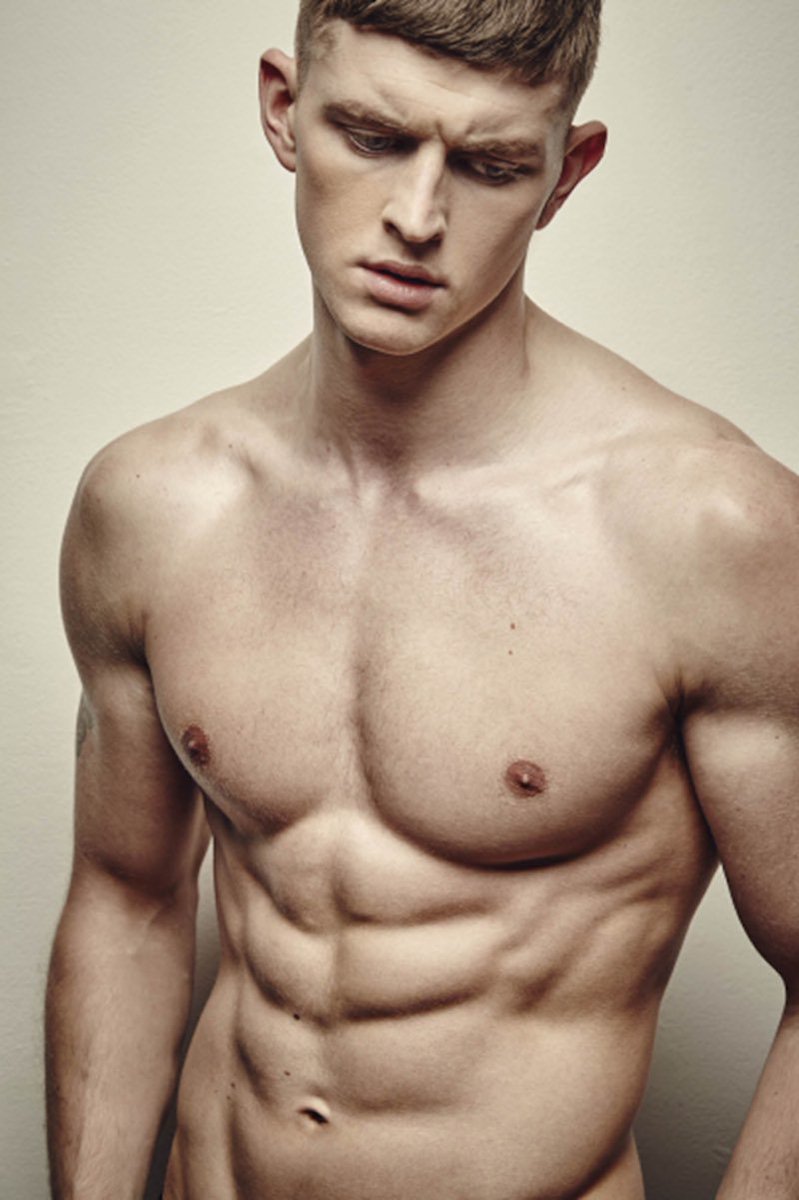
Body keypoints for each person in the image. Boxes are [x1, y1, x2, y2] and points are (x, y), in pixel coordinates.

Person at [45, 1, 799, 1197]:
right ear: (284, 109)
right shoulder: (153, 506)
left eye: (490, 164)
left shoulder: (707, 532)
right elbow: (127, 904)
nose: (416, 216)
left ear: (565, 174)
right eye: (373, 136)